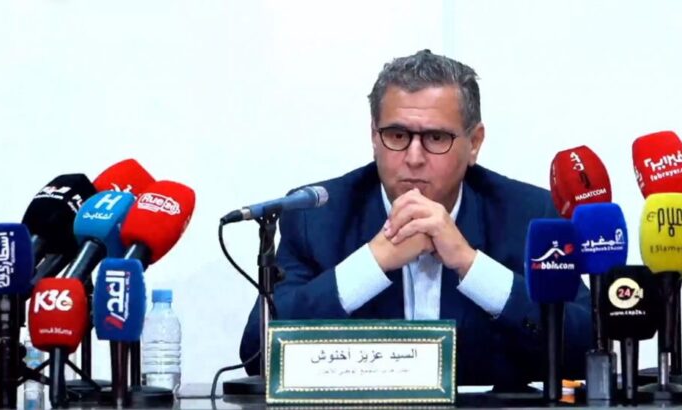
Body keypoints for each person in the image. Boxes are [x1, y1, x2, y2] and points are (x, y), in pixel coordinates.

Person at [240, 49, 591, 390]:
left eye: (436, 137)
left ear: (474, 143)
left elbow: (587, 344)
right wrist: (371, 263)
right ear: (374, 137)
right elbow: (258, 353)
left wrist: (471, 265)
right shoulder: (317, 217)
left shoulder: (528, 216)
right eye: (397, 136)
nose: (414, 157)